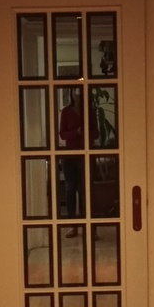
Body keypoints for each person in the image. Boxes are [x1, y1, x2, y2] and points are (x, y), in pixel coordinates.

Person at [58, 89, 98, 237]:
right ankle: (72, 225)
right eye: (75, 92)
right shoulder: (66, 111)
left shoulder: (90, 111)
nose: (78, 95)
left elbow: (96, 133)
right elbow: (62, 134)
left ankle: (90, 227)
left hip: (86, 155)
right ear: (72, 94)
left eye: (80, 92)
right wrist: (76, 132)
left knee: (85, 190)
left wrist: (85, 132)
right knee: (70, 190)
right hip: (69, 156)